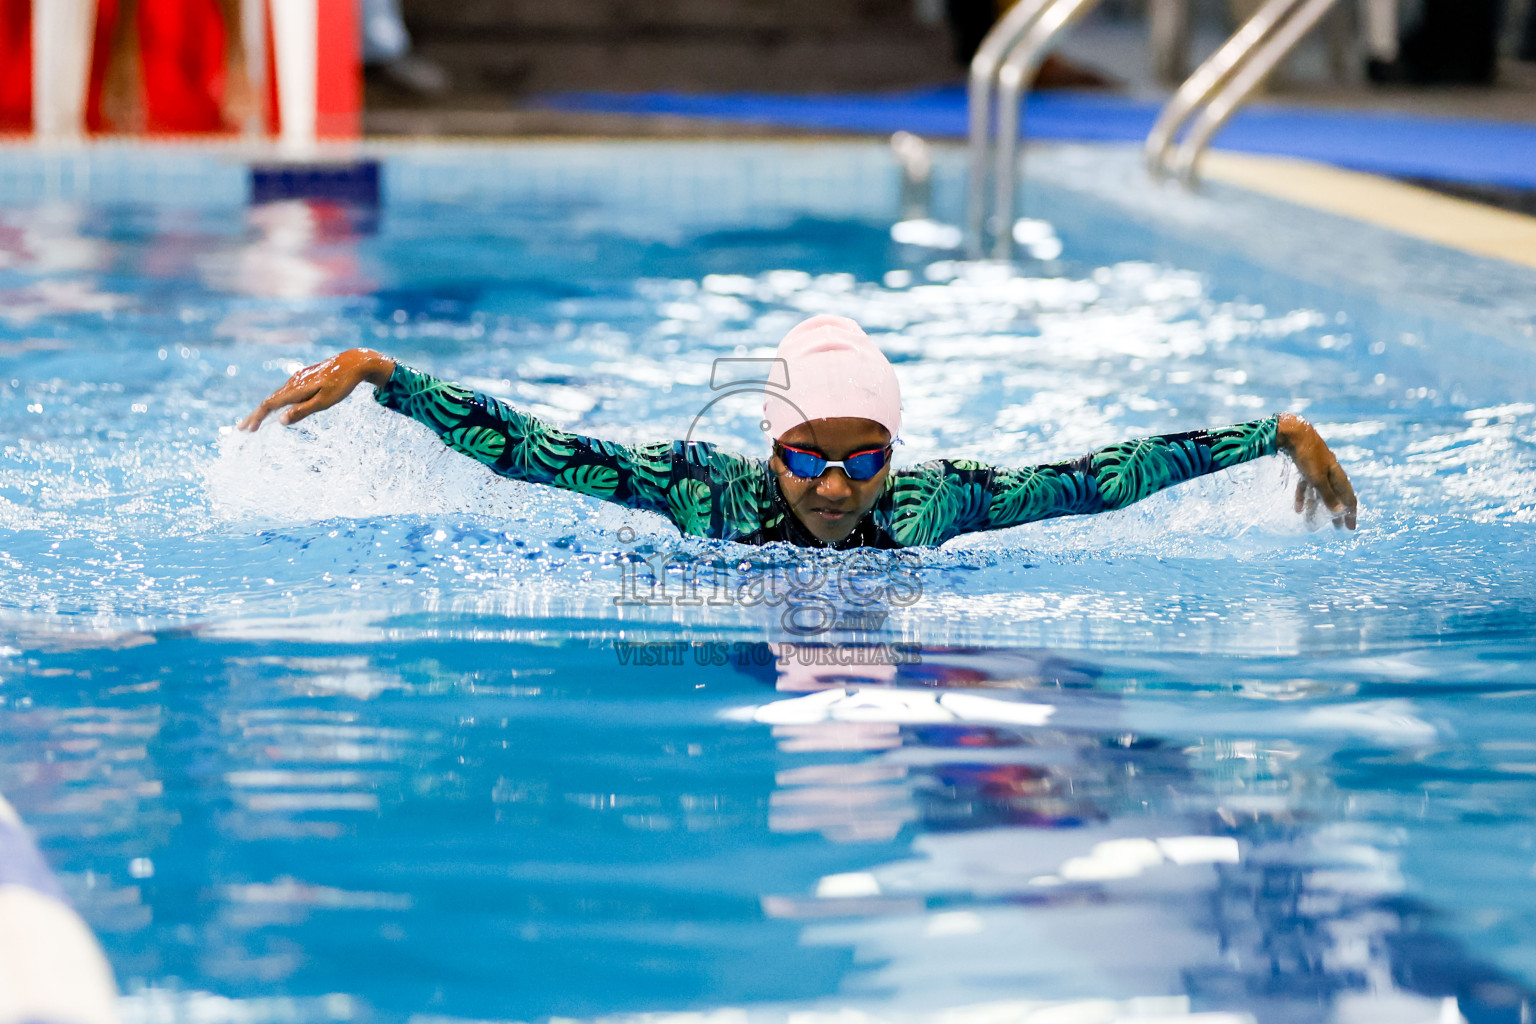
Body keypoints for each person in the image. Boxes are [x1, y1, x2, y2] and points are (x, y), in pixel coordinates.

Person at [240, 314, 1358, 548]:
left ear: (896, 455)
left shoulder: (934, 504)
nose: (833, 483)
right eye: (807, 457)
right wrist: (390, 377)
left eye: (862, 457)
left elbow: (1095, 479)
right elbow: (538, 449)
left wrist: (1272, 433)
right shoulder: (705, 493)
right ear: (768, 448)